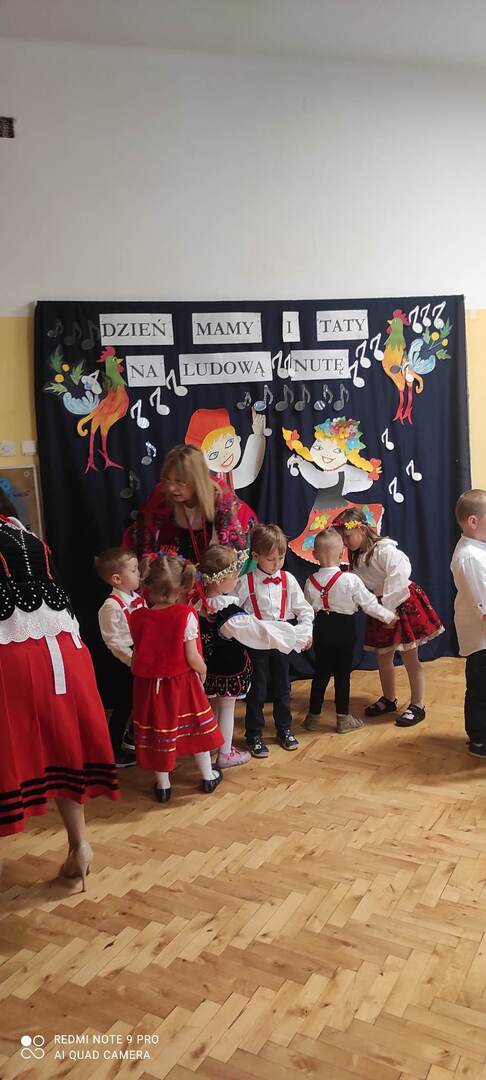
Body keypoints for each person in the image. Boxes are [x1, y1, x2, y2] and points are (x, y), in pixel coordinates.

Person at [0, 491, 118, 888]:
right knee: (63, 744)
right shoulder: (29, 537)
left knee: (7, 750)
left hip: (10, 651)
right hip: (65, 648)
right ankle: (80, 846)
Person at [198, 544, 310, 768]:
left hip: (211, 669)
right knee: (227, 709)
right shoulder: (228, 613)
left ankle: (214, 744)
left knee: (217, 707)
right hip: (229, 671)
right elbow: (260, 632)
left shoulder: (201, 603)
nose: (237, 579)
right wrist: (297, 637)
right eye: (234, 576)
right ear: (220, 581)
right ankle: (225, 753)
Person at [335, 507, 444, 726]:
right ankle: (389, 698)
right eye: (342, 539)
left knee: (410, 657)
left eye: (347, 536)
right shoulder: (356, 557)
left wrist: (389, 608)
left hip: (401, 603)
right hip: (381, 607)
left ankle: (418, 704)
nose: (345, 542)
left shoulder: (385, 550)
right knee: (383, 657)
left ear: (362, 529)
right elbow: (358, 586)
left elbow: (399, 575)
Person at [130, 555, 224, 802]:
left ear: (149, 584)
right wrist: (203, 670)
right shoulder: (186, 614)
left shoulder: (137, 616)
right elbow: (192, 656)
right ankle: (207, 776)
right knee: (196, 730)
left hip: (149, 687)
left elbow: (137, 655)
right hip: (182, 684)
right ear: (182, 586)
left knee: (158, 732)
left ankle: (163, 786)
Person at [303, 528, 397, 733]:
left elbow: (307, 612)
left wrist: (306, 635)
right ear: (342, 554)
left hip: (321, 629)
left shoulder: (310, 582)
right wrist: (388, 616)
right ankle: (343, 718)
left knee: (320, 673)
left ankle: (313, 716)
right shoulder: (350, 580)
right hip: (344, 630)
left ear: (315, 554)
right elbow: (369, 604)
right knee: (342, 674)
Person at [235, 524, 314, 756]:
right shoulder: (245, 582)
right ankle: (254, 734)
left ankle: (284, 728)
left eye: (281, 557)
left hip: (281, 641)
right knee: (257, 690)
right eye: (271, 559)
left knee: (283, 687)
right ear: (255, 556)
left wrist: (305, 632)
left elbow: (305, 610)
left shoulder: (288, 580)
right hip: (256, 642)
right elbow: (230, 610)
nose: (277, 563)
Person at [123, 444, 249, 565]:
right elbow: (145, 540)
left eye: (180, 482)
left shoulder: (220, 496)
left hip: (221, 544)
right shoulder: (161, 493)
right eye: (168, 480)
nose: (171, 488)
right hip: (180, 544)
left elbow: (231, 551)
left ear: (197, 480)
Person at [95, 546, 146, 767]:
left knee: (142, 701)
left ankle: (131, 739)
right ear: (117, 579)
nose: (139, 573)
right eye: (134, 570)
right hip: (124, 661)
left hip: (141, 655)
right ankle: (112, 750)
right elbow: (113, 641)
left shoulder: (138, 599)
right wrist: (132, 660)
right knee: (123, 706)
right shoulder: (110, 607)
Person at [450, 489, 486, 757]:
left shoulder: (478, 549)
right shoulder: (470, 556)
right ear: (473, 521)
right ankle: (480, 740)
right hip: (480, 639)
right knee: (480, 688)